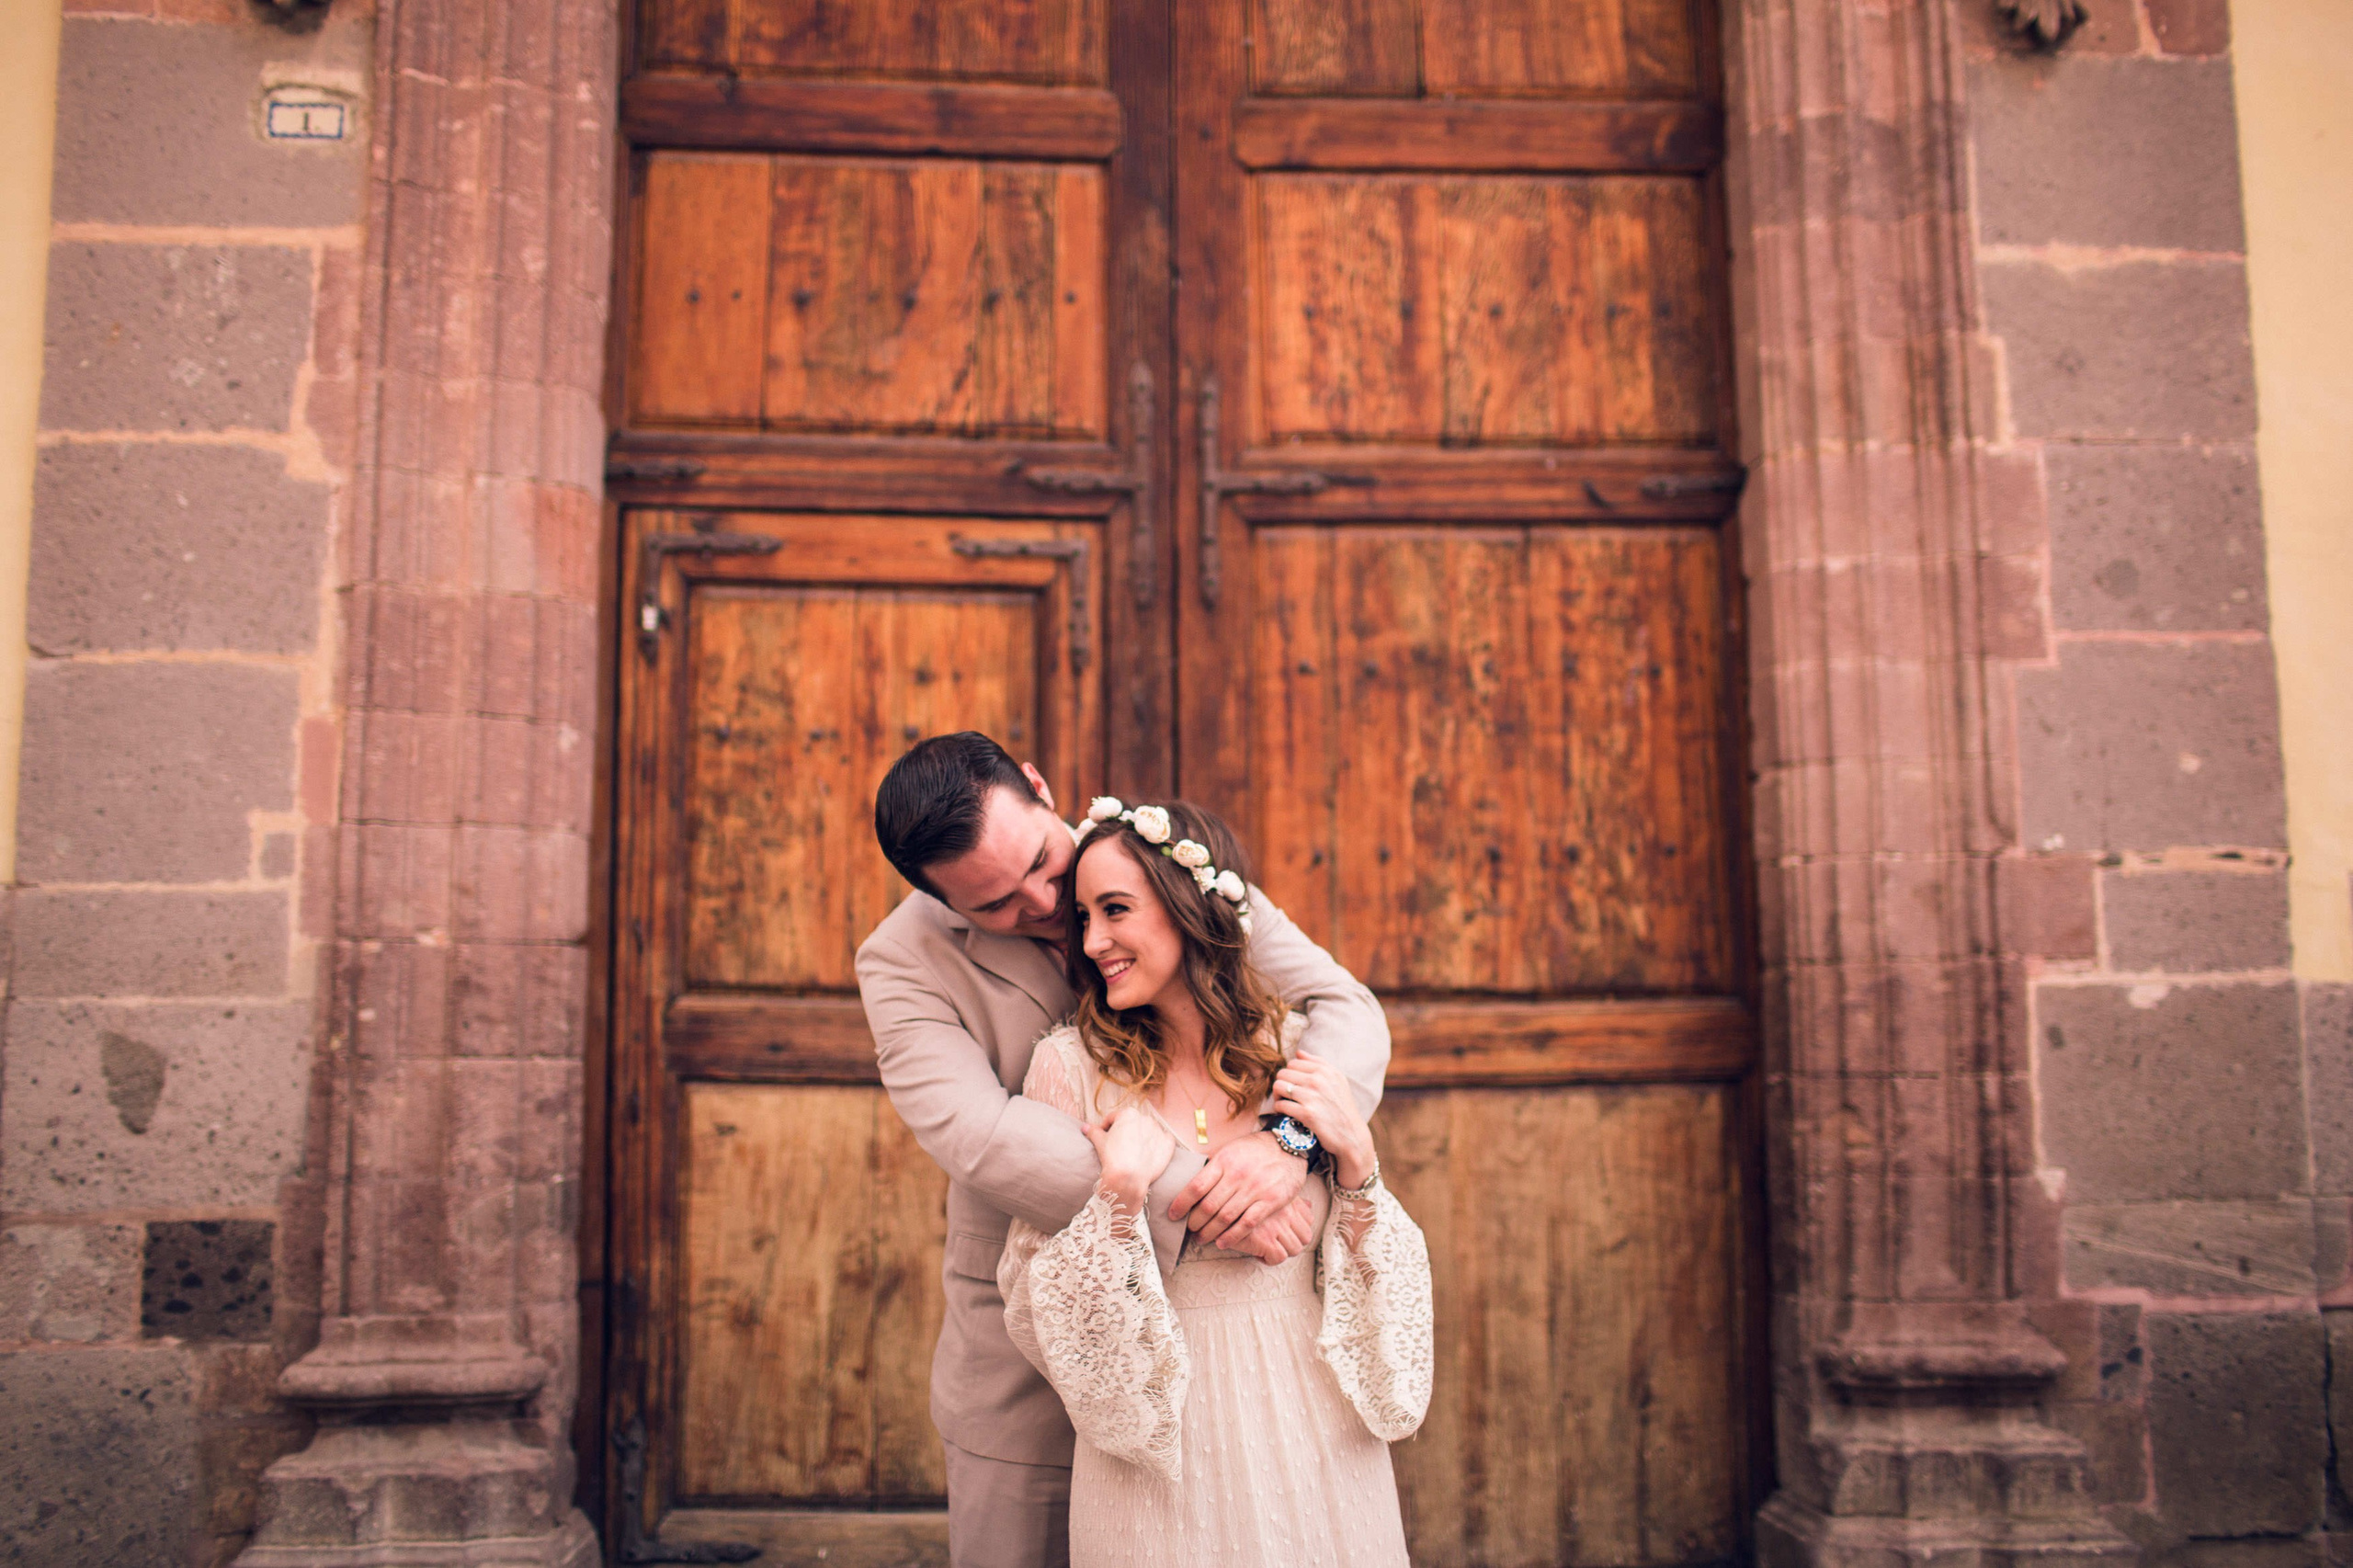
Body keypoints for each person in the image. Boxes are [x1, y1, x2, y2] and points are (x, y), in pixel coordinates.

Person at [856, 733, 1390, 1568]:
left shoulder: (1162, 861)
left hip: (1240, 1373)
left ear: (1039, 786)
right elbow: (985, 1135)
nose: (1042, 901)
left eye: (1041, 860)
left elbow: (1342, 1005)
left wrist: (1287, 1147)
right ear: (940, 902)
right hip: (1034, 1365)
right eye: (994, 905)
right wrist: (1215, 1199)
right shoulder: (899, 963)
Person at [999, 799, 1430, 1568]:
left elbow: (1384, 1308)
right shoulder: (1067, 1069)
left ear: (1189, 905)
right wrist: (1122, 1196)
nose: (1093, 942)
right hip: (1161, 1452)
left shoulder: (1296, 1056)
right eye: (1084, 917)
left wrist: (1359, 1168)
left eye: (1116, 910)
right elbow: (1038, 1306)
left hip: (1317, 1429)